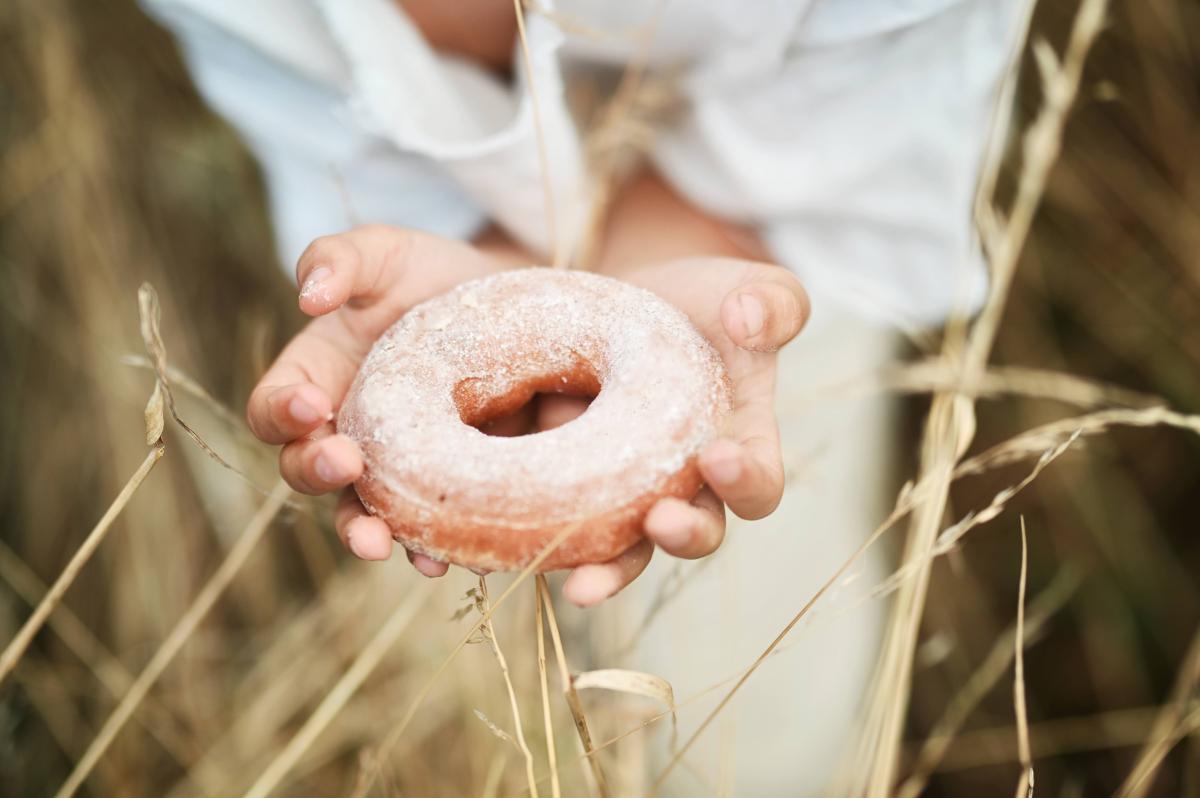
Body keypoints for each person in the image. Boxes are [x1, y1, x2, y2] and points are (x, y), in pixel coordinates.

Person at [140, 0, 1026, 792]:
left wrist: (673, 255)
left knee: (742, 709)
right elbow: (322, 116)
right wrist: (475, 254)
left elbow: (858, 97)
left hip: (765, 255)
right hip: (447, 282)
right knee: (471, 706)